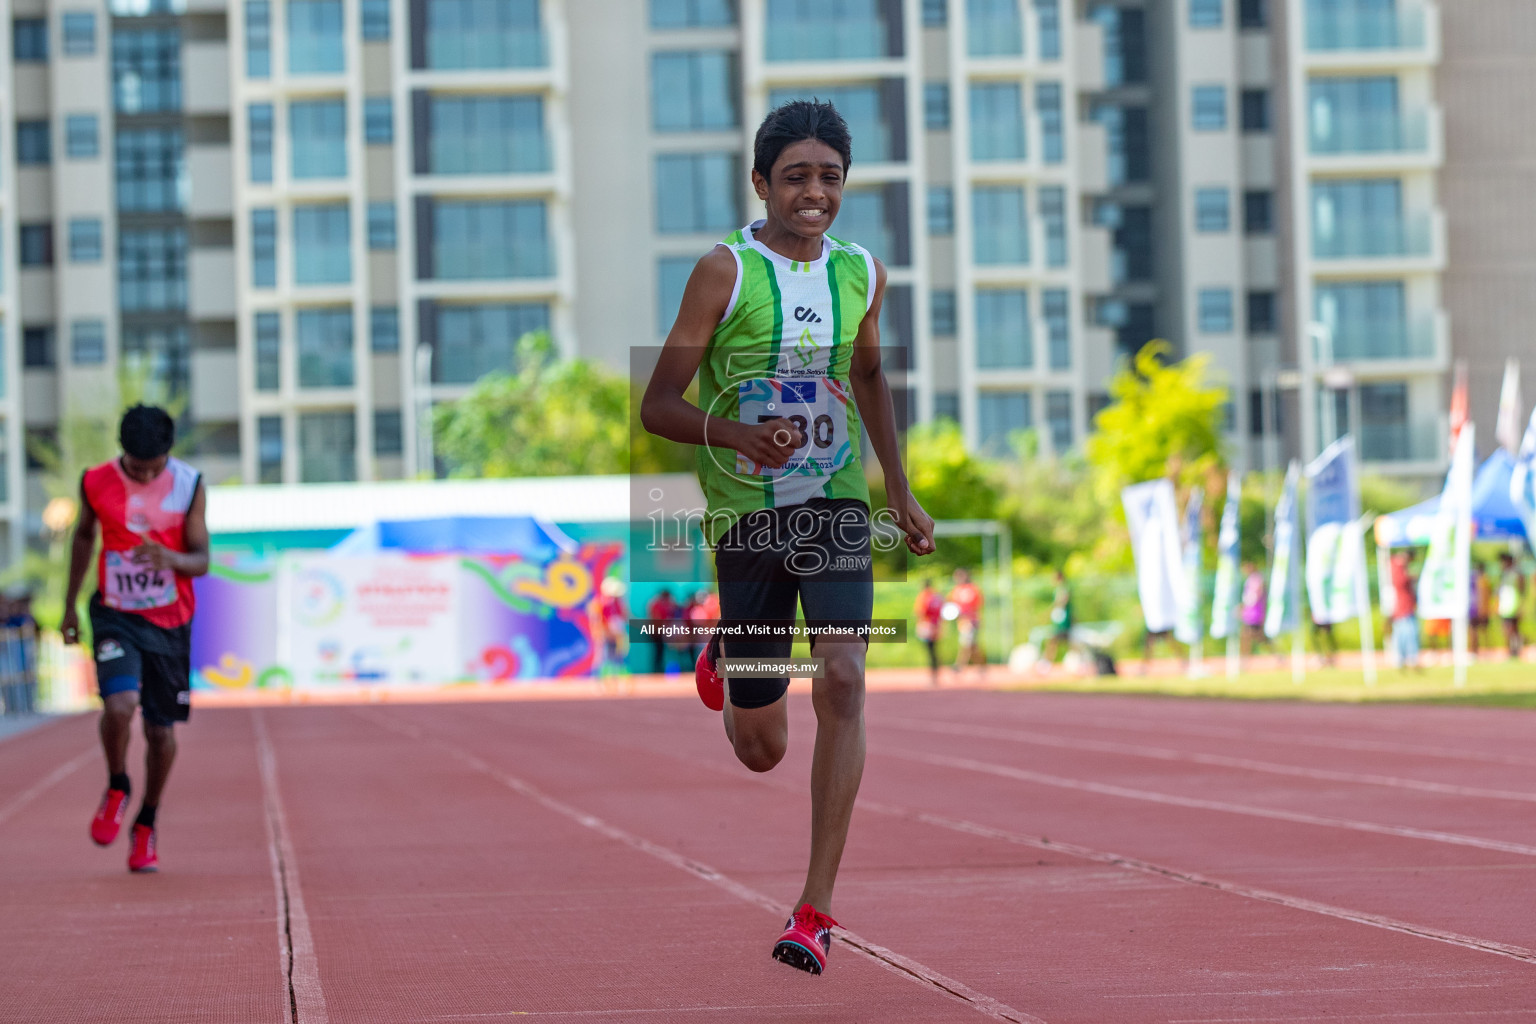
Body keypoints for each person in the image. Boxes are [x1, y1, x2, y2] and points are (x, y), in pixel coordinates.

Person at [641, 99, 935, 975]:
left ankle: (815, 909)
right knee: (760, 750)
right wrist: (736, 435)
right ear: (762, 183)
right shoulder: (722, 272)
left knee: (843, 675)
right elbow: (658, 405)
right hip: (747, 512)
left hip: (836, 504)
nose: (815, 193)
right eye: (797, 177)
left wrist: (902, 492)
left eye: (831, 177)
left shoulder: (862, 274)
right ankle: (733, 657)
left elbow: (872, 375)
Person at [62, 405, 209, 873]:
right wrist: (68, 604)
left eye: (155, 466)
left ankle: (146, 821)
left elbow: (203, 558)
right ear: (122, 452)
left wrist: (171, 558)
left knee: (160, 732)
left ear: (169, 453)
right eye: (136, 466)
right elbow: (83, 538)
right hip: (115, 614)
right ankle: (117, 784)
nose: (146, 474)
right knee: (119, 706)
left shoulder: (189, 484)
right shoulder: (95, 481)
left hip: (169, 621)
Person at [948, 568, 985, 679]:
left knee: (966, 645)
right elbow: (952, 605)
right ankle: (982, 666)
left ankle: (959, 666)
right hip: (962, 621)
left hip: (971, 621)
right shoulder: (956, 590)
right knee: (972, 647)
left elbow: (977, 604)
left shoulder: (973, 589)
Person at [1389, 551, 1421, 673]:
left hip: (1405, 608)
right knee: (1407, 635)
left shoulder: (1398, 567)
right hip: (1402, 609)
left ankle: (1406, 660)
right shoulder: (1397, 568)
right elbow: (1400, 582)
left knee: (1406, 635)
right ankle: (1407, 659)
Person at [912, 579, 944, 686]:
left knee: (930, 651)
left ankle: (934, 674)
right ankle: (936, 672)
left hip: (927, 626)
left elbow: (919, 612)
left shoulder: (923, 597)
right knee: (934, 651)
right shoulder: (937, 596)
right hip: (936, 626)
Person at [1238, 561, 1272, 659]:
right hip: (1250, 614)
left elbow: (1256, 596)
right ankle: (1244, 658)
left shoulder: (1257, 579)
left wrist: (1244, 607)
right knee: (1249, 636)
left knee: (1252, 636)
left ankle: (1244, 658)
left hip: (1255, 614)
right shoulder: (1250, 580)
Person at [1040, 569, 1073, 667]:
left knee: (1054, 640)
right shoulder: (1059, 589)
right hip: (1060, 620)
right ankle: (1047, 662)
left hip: (1062, 622)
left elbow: (1062, 602)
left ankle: (1046, 663)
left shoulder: (1063, 589)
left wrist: (1055, 608)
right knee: (1060, 641)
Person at [1496, 551, 1525, 658]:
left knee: (1512, 629)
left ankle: (1515, 649)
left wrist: (1521, 606)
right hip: (1506, 606)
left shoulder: (1516, 573)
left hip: (1514, 606)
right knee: (1508, 629)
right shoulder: (1504, 574)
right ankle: (1512, 650)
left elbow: (1521, 590)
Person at [644, 588, 678, 674]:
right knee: (658, 651)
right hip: (656, 632)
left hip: (662, 631)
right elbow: (656, 618)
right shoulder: (656, 604)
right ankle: (657, 670)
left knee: (661, 651)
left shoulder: (665, 604)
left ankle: (660, 669)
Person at [1469, 561, 1490, 656]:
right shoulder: (1481, 579)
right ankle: (1477, 650)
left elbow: (1484, 594)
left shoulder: (1480, 579)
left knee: (1478, 630)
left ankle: (1482, 651)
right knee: (1477, 630)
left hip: (1476, 608)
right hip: (1475, 608)